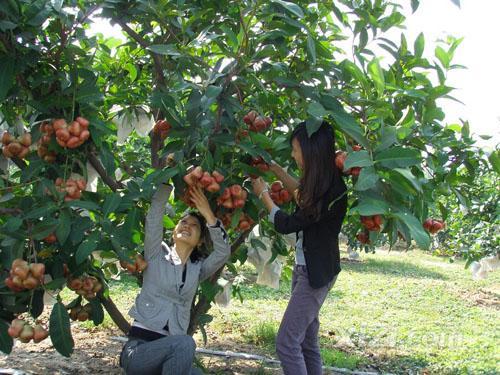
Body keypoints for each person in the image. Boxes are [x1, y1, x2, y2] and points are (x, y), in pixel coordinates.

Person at [251, 121, 348, 375]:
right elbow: (303, 195)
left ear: (310, 150)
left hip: (314, 275)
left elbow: (289, 223)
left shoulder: (330, 189)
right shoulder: (326, 182)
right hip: (312, 267)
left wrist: (264, 195)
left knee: (286, 342)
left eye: (295, 149)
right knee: (306, 341)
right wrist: (275, 169)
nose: (293, 155)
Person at [119, 183, 230, 375]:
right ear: (173, 231)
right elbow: (154, 216)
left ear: (200, 240)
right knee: (185, 343)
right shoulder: (155, 255)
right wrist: (169, 179)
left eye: (194, 225)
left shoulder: (197, 270)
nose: (187, 226)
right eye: (183, 222)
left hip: (170, 358)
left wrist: (208, 215)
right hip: (139, 352)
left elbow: (223, 252)